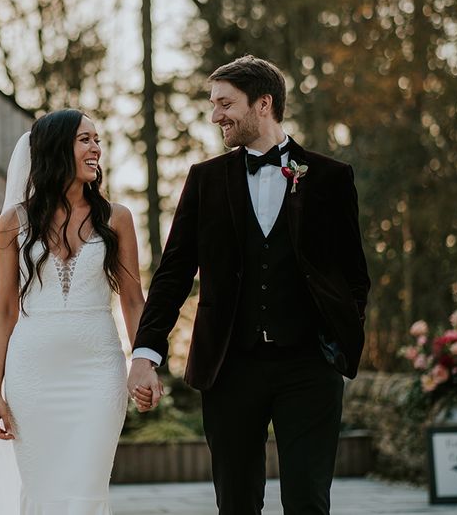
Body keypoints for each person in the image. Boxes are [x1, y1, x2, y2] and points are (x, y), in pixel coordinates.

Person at [128, 55, 371, 515]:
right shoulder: (205, 180)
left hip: (309, 367)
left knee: (307, 501)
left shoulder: (330, 178)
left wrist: (339, 337)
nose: (215, 114)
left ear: (264, 104)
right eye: (213, 104)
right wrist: (146, 353)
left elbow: (354, 274)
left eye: (225, 103)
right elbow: (173, 274)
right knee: (236, 503)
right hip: (229, 365)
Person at [0, 109, 146, 515]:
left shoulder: (117, 218)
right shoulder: (14, 221)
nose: (96, 148)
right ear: (56, 148)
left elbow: (133, 300)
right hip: (32, 377)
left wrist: (144, 361)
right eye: (85, 139)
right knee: (43, 494)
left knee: (87, 492)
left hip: (98, 373)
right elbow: (4, 310)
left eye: (97, 139)